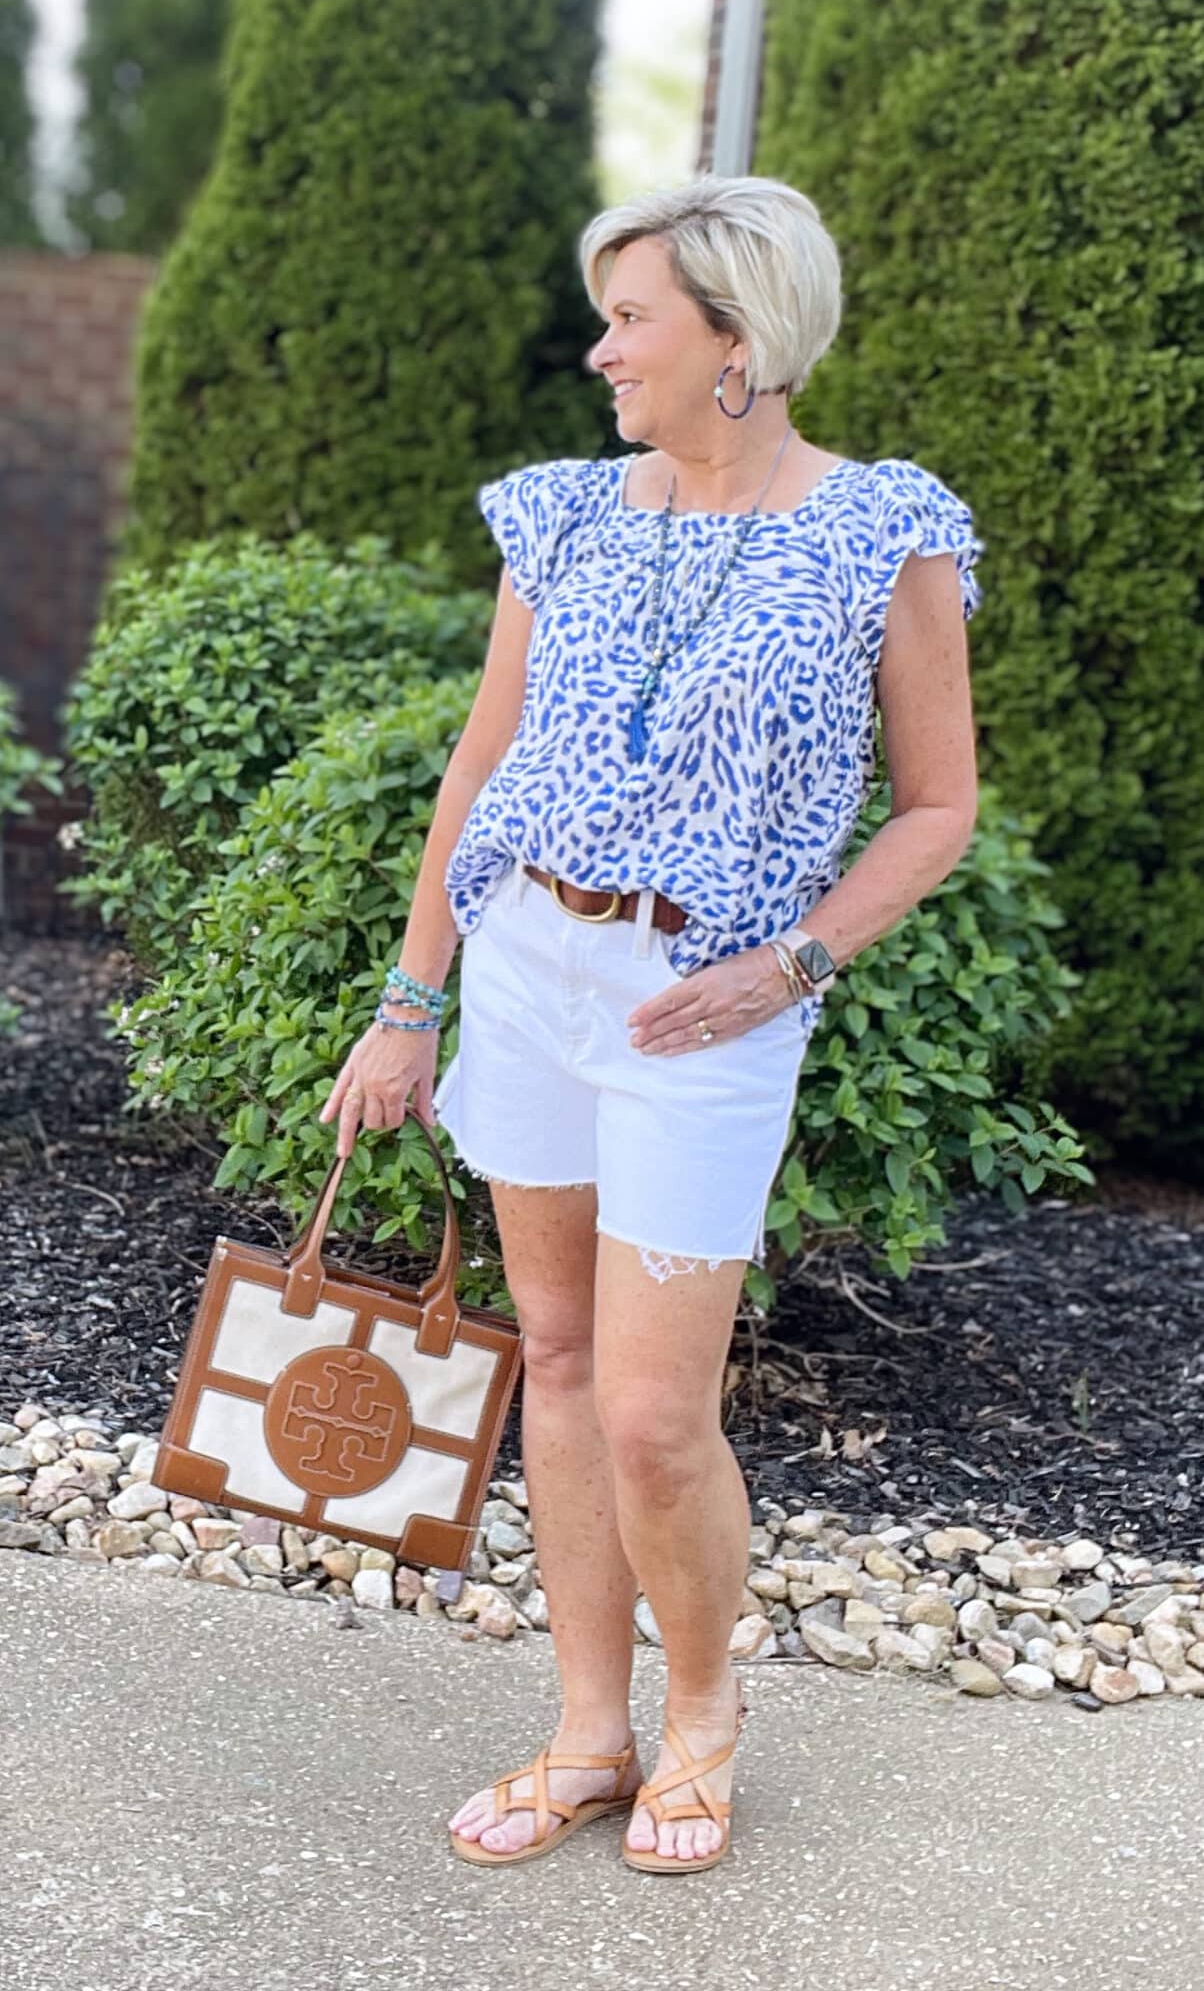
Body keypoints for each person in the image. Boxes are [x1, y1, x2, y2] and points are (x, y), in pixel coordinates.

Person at [318, 175, 982, 1875]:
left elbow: (935, 809)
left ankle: (704, 1717)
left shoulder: (880, 531)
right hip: (529, 971)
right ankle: (589, 1732)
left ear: (738, 343)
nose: (600, 348)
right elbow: (485, 764)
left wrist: (797, 967)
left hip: (711, 1007)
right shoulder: (564, 516)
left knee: (652, 1416)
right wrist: (413, 1000)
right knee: (555, 1358)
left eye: (631, 320)